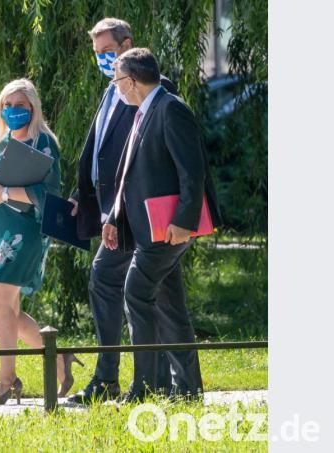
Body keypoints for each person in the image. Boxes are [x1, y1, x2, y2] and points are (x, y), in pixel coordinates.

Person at [66, 18, 177, 405]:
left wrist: (119, 210)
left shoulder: (151, 92)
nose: (102, 61)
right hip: (113, 211)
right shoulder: (112, 91)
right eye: (97, 55)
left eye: (107, 52)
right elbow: (102, 150)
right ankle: (155, 381)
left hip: (137, 215)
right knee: (156, 295)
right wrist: (86, 196)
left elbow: (146, 161)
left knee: (113, 282)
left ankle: (116, 378)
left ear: (127, 43)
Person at [102, 48, 222, 403]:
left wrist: (184, 222)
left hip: (169, 230)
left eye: (117, 80)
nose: (116, 87)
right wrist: (114, 218)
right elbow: (130, 176)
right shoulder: (144, 111)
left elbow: (193, 171)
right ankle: (186, 390)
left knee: (135, 292)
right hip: (148, 229)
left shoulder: (171, 108)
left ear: (131, 80)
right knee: (170, 307)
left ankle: (145, 387)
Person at [0, 78, 83, 405]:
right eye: (6, 106)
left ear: (32, 108)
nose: (12, 111)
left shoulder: (44, 142)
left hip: (26, 230)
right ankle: (57, 357)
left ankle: (6, 380)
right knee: (5, 305)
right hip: (0, 227)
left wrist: (7, 192)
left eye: (19, 106)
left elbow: (51, 191)